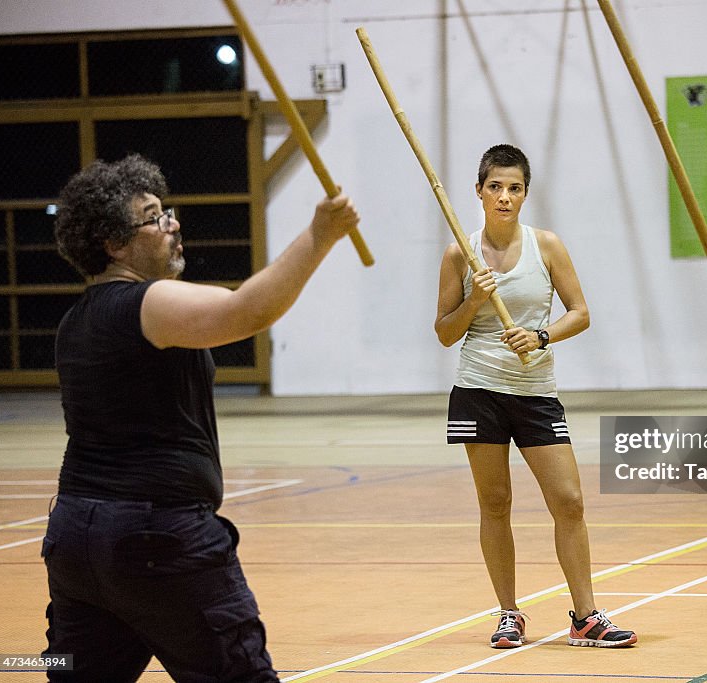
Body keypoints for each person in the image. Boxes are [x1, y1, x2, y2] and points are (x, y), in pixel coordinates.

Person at [44, 154, 361, 681]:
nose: (173, 225)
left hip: (74, 540)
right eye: (154, 217)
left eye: (168, 212)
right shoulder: (147, 304)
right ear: (113, 243)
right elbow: (246, 313)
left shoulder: (74, 323)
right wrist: (319, 235)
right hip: (158, 540)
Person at [435, 144, 637, 649]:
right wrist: (475, 300)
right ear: (479, 191)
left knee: (568, 501)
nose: (504, 197)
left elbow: (580, 312)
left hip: (534, 392)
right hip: (477, 390)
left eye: (514, 188)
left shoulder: (545, 245)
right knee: (495, 503)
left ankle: (585, 617)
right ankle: (508, 613)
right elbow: (443, 331)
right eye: (495, 187)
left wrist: (542, 336)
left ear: (526, 193)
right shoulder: (460, 251)